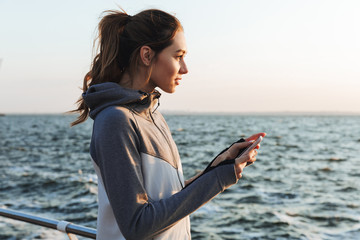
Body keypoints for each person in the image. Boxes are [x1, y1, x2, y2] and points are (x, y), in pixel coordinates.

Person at [71, 8, 266, 240]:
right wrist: (217, 179)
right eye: (178, 56)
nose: (185, 68)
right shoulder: (116, 121)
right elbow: (137, 225)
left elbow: (164, 198)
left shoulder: (154, 116)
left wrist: (219, 166)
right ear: (147, 55)